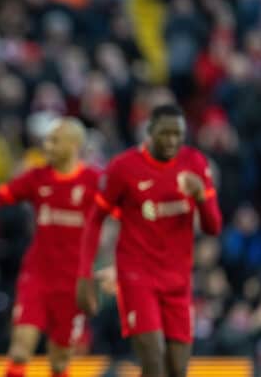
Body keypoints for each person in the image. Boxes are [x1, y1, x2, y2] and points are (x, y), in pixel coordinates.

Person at [77, 104, 223, 377]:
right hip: (137, 275)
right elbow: (95, 219)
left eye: (177, 134)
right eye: (165, 133)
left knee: (177, 368)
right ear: (150, 132)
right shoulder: (124, 167)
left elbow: (213, 227)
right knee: (153, 360)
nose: (171, 141)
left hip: (178, 279)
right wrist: (84, 276)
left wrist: (201, 197)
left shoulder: (195, 164)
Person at [0, 118, 98, 377]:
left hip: (73, 283)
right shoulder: (37, 177)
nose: (47, 145)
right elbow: (0, 197)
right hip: (37, 276)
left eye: (54, 140)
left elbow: (124, 216)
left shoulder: (93, 181)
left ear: (74, 145)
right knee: (20, 350)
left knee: (60, 361)